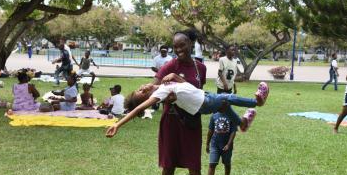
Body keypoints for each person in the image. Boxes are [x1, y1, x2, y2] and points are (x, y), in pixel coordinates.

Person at [107, 30, 210, 175]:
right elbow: (154, 88)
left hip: (192, 122)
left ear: (190, 44)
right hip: (171, 121)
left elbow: (197, 93)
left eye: (182, 45)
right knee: (168, 164)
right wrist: (142, 92)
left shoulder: (201, 68)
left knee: (194, 167)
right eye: (175, 47)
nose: (179, 50)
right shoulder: (170, 65)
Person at [112, 76, 268, 134]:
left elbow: (186, 84)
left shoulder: (161, 87)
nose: (142, 87)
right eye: (140, 92)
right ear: (145, 98)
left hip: (203, 97)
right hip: (203, 102)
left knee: (225, 106)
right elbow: (138, 109)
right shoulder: (158, 95)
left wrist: (173, 76)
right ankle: (257, 101)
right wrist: (118, 125)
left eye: (139, 88)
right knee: (226, 98)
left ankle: (242, 123)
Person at [202, 110, 238, 175]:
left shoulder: (232, 115)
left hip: (226, 145)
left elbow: (233, 132)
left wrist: (228, 144)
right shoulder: (214, 116)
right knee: (212, 164)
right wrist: (207, 144)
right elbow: (210, 131)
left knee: (227, 163)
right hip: (215, 144)